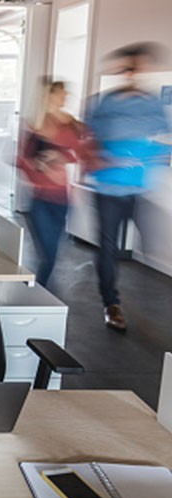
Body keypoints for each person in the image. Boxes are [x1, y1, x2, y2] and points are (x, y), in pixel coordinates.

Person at [84, 42, 171, 332]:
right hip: (108, 190)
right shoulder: (104, 103)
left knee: (152, 239)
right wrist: (104, 158)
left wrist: (157, 154)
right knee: (107, 248)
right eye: (129, 69)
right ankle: (111, 304)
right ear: (123, 71)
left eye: (139, 68)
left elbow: (163, 139)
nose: (134, 74)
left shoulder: (152, 104)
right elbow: (88, 141)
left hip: (138, 189)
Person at [17, 79, 96, 288]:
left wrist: (61, 158)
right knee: (47, 251)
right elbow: (21, 160)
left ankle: (36, 291)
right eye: (61, 93)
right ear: (49, 96)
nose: (65, 98)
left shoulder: (68, 125)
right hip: (40, 199)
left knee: (50, 254)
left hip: (62, 199)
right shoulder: (35, 124)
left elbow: (81, 153)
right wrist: (39, 167)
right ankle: (35, 291)